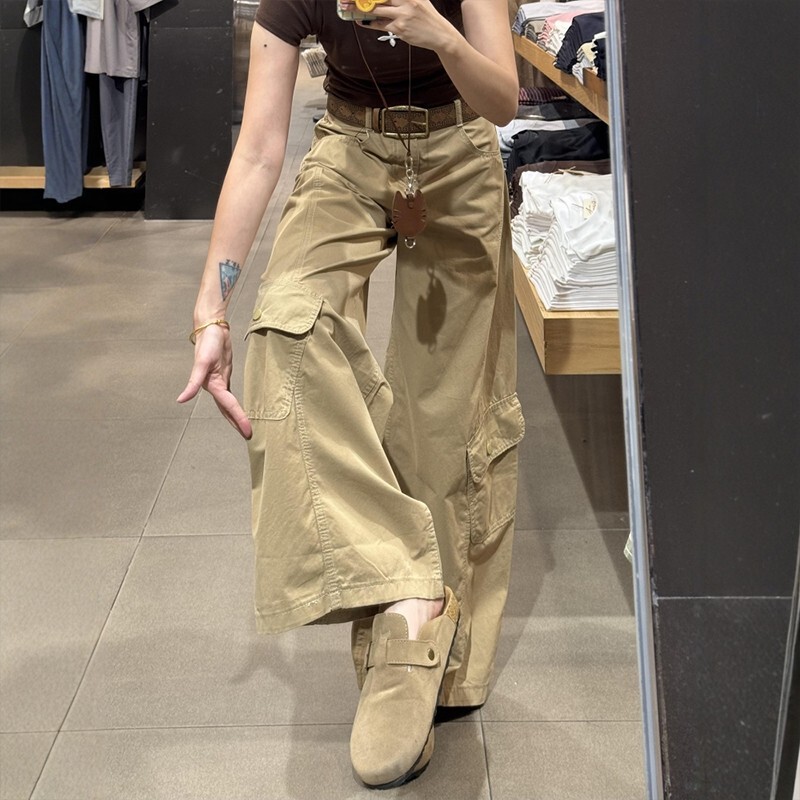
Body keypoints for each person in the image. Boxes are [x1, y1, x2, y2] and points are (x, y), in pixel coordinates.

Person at [178, 0, 524, 788]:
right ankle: (405, 588)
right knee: (285, 326)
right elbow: (259, 148)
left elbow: (503, 101)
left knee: (443, 414)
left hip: (459, 146)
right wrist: (210, 303)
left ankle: (432, 649)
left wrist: (438, 32)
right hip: (350, 147)